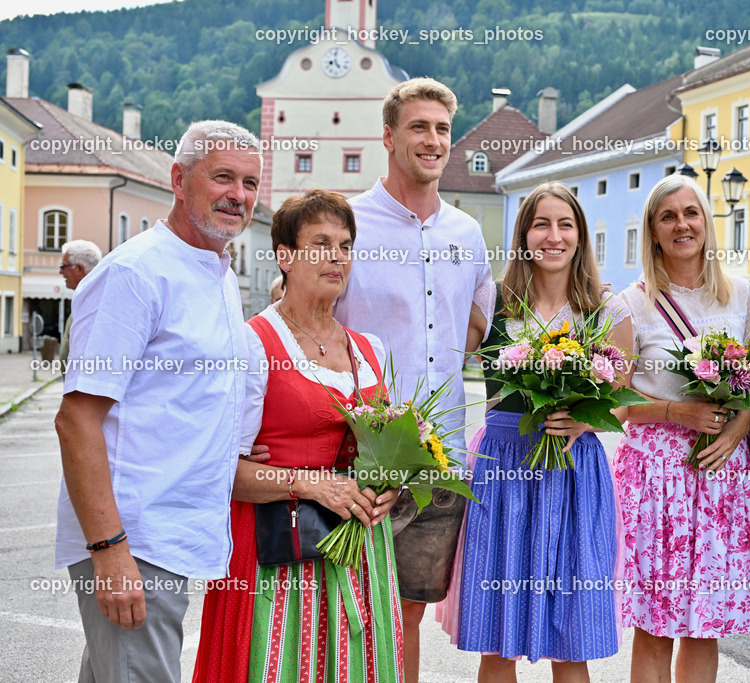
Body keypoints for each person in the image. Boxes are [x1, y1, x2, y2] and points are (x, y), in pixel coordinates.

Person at [53, 120, 262, 683]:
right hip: (136, 539)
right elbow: (76, 420)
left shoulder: (216, 271)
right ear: (178, 178)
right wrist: (111, 551)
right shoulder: (134, 274)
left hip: (171, 535)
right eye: (222, 177)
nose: (238, 196)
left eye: (249, 183)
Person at [192, 189, 402, 682]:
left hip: (360, 556)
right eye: (321, 243)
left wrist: (391, 484)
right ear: (284, 256)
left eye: (346, 245)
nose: (337, 257)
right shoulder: (252, 342)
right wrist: (308, 483)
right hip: (280, 552)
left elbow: (390, 445)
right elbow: (221, 470)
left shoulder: (368, 348)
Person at [333, 76, 492, 682]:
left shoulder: (466, 234)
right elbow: (306, 318)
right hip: (358, 455)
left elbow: (476, 321)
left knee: (408, 615)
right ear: (389, 136)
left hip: (442, 454)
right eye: (419, 127)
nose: (432, 140)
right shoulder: (347, 222)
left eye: (442, 129)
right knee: (346, 611)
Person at [453, 182, 631, 679]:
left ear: (580, 236)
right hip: (503, 468)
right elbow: (440, 352)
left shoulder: (607, 309)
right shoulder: (493, 304)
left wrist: (582, 419)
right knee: (497, 637)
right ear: (524, 234)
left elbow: (623, 400)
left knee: (570, 637)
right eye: (541, 224)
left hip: (574, 470)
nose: (553, 236)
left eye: (565, 224)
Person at [614, 174, 750, 683]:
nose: (682, 224)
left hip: (720, 471)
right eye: (668, 216)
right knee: (655, 624)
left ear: (707, 222)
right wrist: (677, 413)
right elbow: (613, 400)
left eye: (691, 213)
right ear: (653, 232)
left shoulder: (742, 296)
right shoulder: (629, 304)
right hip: (654, 475)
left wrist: (736, 430)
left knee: (705, 624)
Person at [58, 239, 103, 372]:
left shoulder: (95, 305)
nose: (61, 272)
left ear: (79, 268)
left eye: (63, 266)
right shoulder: (87, 300)